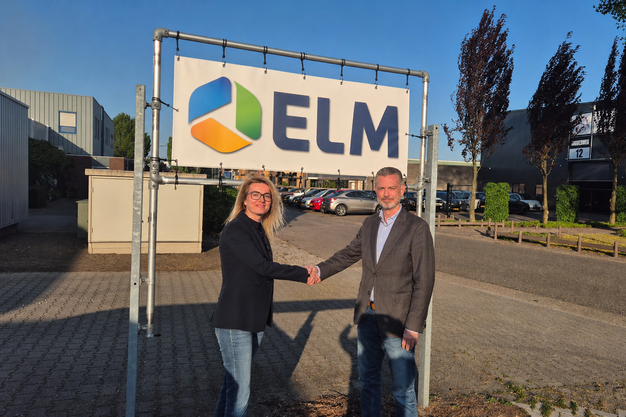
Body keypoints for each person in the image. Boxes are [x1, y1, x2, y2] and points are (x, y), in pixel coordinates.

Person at [308, 167, 435, 417]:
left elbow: (425, 280)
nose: (386, 194)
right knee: (368, 382)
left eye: (392, 188)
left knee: (402, 388)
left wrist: (413, 326)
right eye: (382, 188)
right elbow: (349, 254)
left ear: (402, 190)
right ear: (375, 190)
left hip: (398, 321)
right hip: (367, 316)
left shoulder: (417, 228)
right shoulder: (370, 224)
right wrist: (320, 270)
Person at [211, 173, 319, 417]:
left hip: (254, 319)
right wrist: (303, 273)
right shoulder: (236, 230)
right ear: (244, 199)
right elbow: (262, 267)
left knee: (232, 387)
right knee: (240, 394)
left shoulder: (258, 228)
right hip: (235, 320)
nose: (262, 199)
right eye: (256, 195)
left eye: (267, 196)